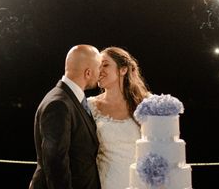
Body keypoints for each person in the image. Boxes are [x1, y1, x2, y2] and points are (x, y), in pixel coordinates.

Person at [29, 44, 103, 189]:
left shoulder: (70, 99)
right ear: (88, 73)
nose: (100, 73)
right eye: (99, 67)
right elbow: (55, 162)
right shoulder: (59, 104)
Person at [87, 47, 151, 189]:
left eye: (105, 65)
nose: (99, 70)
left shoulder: (146, 103)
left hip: (142, 183)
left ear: (123, 70)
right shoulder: (90, 106)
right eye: (97, 66)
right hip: (107, 182)